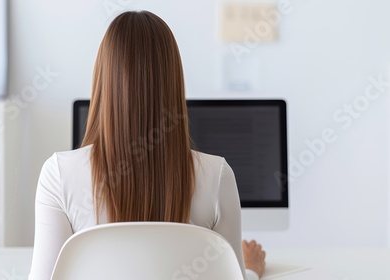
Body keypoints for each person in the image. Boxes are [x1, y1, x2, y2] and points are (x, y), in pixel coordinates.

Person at [29, 11, 265, 280]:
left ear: (103, 80)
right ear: (174, 81)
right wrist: (252, 270)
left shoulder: (58, 174)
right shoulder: (217, 175)